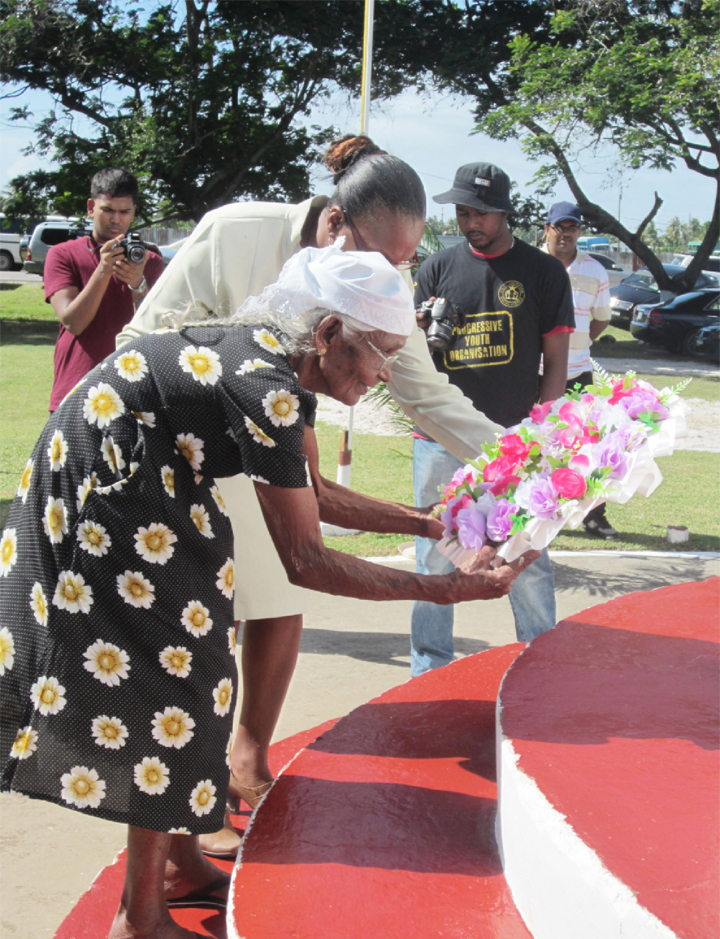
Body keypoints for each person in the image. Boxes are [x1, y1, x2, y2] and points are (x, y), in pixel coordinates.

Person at [0, 243, 538, 939]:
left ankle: (180, 861)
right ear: (327, 335)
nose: (383, 376)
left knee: (204, 670)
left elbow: (316, 496)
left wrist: (429, 523)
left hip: (147, 480)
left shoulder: (281, 370)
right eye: (380, 354)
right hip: (107, 489)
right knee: (175, 684)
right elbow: (306, 558)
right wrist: (451, 588)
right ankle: (136, 924)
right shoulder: (269, 388)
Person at [118, 136, 507, 857]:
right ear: (333, 226)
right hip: (168, 455)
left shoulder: (371, 297)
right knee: (190, 650)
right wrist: (449, 587)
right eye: (378, 257)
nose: (388, 275)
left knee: (269, 612)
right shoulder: (239, 238)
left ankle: (240, 765)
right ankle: (168, 855)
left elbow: (425, 400)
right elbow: (143, 338)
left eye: (400, 264)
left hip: (267, 439)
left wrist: (525, 470)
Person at [410, 162, 576, 676]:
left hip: (513, 441)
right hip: (439, 440)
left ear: (506, 211)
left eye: (480, 212)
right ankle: (429, 668)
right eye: (462, 212)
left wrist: (538, 434)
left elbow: (557, 363)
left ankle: (537, 662)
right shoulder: (435, 269)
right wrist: (417, 327)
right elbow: (411, 363)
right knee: (436, 555)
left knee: (526, 553)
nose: (470, 222)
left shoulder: (543, 272)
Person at [45, 167, 164, 411]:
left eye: (124, 211)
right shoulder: (62, 255)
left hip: (134, 388)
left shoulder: (150, 261)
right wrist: (103, 270)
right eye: (107, 210)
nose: (115, 219)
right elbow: (73, 322)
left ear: (134, 213)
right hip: (77, 387)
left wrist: (138, 284)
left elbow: (159, 329)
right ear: (91, 207)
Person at [542, 201, 618, 540]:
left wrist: (579, 343)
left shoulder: (595, 270)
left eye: (572, 227)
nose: (566, 233)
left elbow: (600, 319)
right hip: (536, 372)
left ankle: (593, 516)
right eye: (560, 227)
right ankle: (538, 511)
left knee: (586, 447)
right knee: (536, 442)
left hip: (579, 372)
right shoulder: (532, 264)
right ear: (547, 229)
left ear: (580, 232)